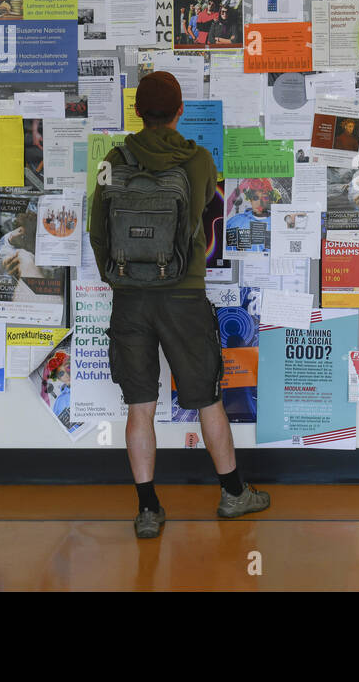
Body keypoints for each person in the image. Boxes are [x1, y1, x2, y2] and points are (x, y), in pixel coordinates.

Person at [90, 71, 270, 538]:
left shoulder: (112, 161)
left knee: (140, 406)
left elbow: (98, 231)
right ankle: (234, 495)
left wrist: (121, 278)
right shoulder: (199, 160)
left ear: (136, 112)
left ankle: (148, 510)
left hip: (130, 299)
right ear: (180, 112)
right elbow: (202, 217)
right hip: (183, 297)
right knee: (208, 400)